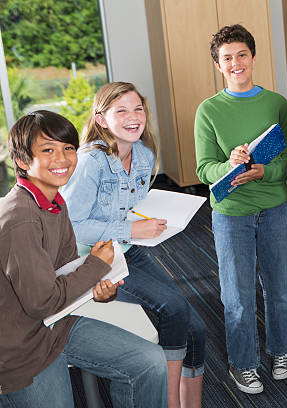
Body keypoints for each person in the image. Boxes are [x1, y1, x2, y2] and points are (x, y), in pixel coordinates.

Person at [0, 110, 167, 407]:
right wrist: (96, 267)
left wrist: (99, 287)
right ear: (23, 162)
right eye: (48, 150)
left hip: (57, 324)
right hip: (20, 349)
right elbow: (42, 302)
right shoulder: (20, 220)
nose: (62, 159)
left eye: (68, 148)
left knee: (150, 362)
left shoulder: (55, 201)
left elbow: (65, 270)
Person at [61, 82, 206, 408]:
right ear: (101, 119)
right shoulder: (90, 163)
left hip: (127, 249)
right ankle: (170, 403)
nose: (133, 116)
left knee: (196, 327)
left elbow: (135, 208)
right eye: (121, 110)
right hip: (93, 260)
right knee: (172, 309)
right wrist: (132, 228)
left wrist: (144, 224)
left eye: (137, 108)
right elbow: (72, 227)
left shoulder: (142, 155)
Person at [194, 24, 287, 394]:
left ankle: (282, 350)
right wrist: (230, 164)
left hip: (273, 207)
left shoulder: (276, 103)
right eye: (227, 58)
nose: (235, 63)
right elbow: (204, 169)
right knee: (237, 296)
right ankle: (243, 363)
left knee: (279, 289)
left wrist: (263, 171)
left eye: (242, 55)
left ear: (253, 58)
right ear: (218, 65)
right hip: (231, 212)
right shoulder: (208, 110)